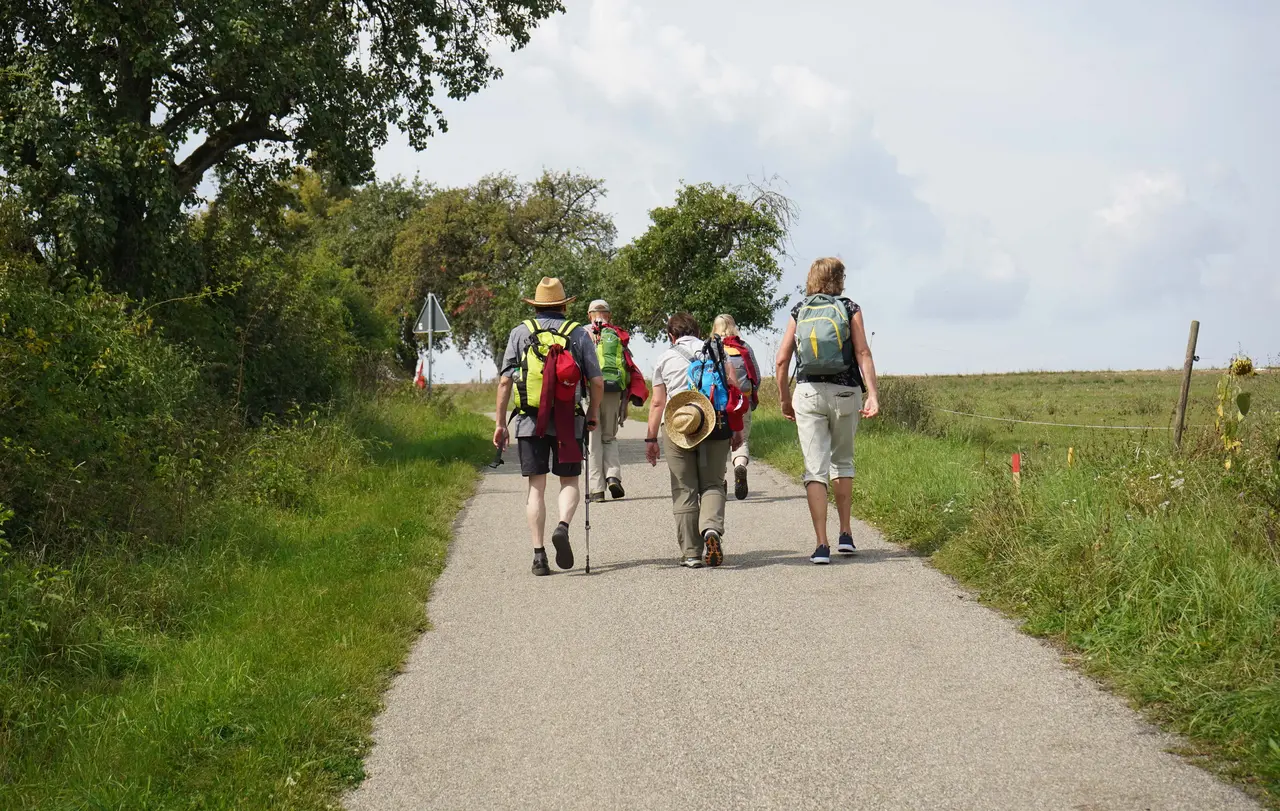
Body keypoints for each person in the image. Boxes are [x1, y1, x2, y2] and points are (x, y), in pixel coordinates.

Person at [494, 277, 605, 576]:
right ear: (563, 305)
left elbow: (505, 381)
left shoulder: (520, 333)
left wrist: (500, 423)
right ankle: (563, 526)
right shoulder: (579, 334)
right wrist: (593, 413)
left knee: (536, 487)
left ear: (537, 305)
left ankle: (539, 556)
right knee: (569, 482)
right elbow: (596, 380)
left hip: (530, 420)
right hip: (570, 419)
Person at [774, 257, 880, 565]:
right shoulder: (850, 308)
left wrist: (784, 397)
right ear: (840, 279)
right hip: (846, 393)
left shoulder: (799, 310)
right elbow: (862, 351)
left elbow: (782, 360)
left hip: (808, 393)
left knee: (814, 468)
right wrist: (872, 394)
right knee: (842, 461)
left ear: (811, 278)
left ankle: (821, 545)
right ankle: (845, 534)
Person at [645, 313, 743, 568]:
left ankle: (691, 553)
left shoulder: (665, 358)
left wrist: (650, 438)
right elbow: (733, 389)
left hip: (679, 427)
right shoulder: (716, 351)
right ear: (698, 332)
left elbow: (657, 402)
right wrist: (736, 428)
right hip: (713, 422)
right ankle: (711, 530)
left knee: (684, 488)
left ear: (670, 335)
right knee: (712, 483)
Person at [712, 314, 761, 500]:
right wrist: (749, 396)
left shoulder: (711, 347)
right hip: (741, 402)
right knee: (742, 440)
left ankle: (720, 481)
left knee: (719, 442)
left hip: (717, 403)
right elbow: (756, 376)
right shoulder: (744, 347)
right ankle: (740, 465)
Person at [586, 299, 628, 502]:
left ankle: (597, 489)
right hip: (613, 390)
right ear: (608, 315)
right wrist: (625, 401)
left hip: (590, 390)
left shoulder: (582, 333)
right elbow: (628, 367)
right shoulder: (617, 334)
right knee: (609, 437)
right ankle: (613, 476)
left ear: (589, 315)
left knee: (593, 441)